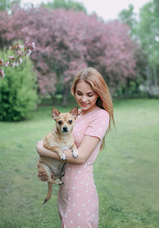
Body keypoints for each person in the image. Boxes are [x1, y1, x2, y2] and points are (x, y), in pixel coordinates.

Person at [36, 67, 115, 228]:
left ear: (99, 93)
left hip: (80, 187)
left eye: (90, 94)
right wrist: (49, 171)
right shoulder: (74, 115)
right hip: (64, 184)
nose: (84, 99)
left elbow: (82, 157)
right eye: (79, 93)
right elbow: (55, 140)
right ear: (74, 91)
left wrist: (40, 148)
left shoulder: (101, 116)